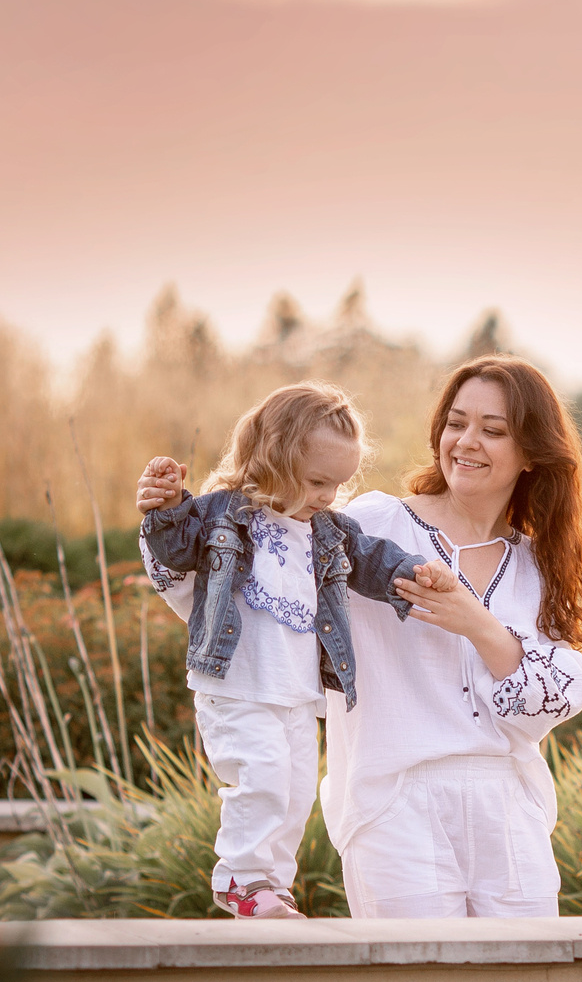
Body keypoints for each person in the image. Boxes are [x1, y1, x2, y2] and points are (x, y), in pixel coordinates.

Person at [311, 355, 582, 917]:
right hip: (392, 799)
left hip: (507, 805)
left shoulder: (540, 567)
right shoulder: (375, 525)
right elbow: (272, 576)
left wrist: (477, 623)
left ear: (531, 454)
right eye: (456, 423)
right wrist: (174, 528)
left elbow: (538, 711)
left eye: (493, 430)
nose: (466, 442)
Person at [136, 382, 449, 918]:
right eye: (317, 481)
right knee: (259, 776)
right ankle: (240, 878)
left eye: (337, 484)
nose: (328, 496)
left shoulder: (328, 531)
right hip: (236, 684)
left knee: (296, 788)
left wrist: (409, 573)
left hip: (299, 693)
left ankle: (271, 888)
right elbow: (174, 546)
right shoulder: (221, 514)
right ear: (273, 459)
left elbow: (371, 560)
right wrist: (165, 506)